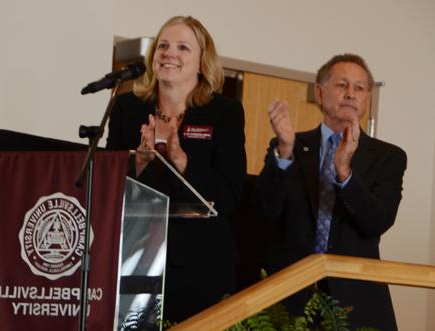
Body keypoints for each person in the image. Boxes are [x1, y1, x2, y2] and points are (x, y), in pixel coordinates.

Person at [106, 16, 246, 323]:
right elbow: (108, 185)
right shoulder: (127, 107)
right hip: (135, 255)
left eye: (183, 47)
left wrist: (183, 162)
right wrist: (139, 163)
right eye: (164, 46)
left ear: (201, 63)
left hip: (201, 263)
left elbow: (230, 194)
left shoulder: (224, 112)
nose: (170, 53)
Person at [257, 53, 406, 330]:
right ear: (319, 93)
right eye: (341, 85)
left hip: (356, 301)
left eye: (359, 88)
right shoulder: (289, 144)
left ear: (367, 99)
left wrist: (344, 173)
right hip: (290, 297)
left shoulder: (389, 157)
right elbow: (268, 208)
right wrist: (285, 151)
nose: (351, 94)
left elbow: (377, 221)